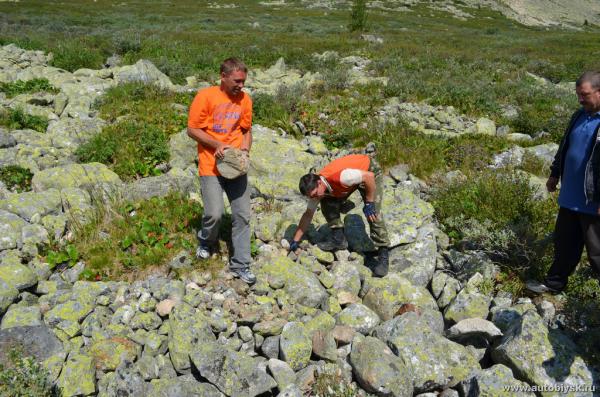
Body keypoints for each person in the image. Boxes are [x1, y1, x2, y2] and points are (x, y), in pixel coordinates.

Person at [527, 71, 600, 294]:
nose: (580, 99)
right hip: (570, 198)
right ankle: (554, 285)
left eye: (585, 94)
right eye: (578, 94)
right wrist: (554, 174)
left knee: (597, 254)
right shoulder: (578, 116)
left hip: (593, 203)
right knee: (565, 246)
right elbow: (565, 146)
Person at [187, 58, 256, 284]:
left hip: (236, 166)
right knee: (214, 214)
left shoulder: (245, 100)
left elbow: (246, 130)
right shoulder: (205, 97)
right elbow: (192, 129)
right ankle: (207, 241)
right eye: (237, 80)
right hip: (210, 164)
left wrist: (244, 149)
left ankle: (241, 265)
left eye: (243, 81)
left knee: (242, 215)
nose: (241, 85)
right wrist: (217, 145)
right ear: (223, 76)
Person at [289, 153, 391, 277]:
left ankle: (383, 254)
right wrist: (295, 240)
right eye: (311, 197)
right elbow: (308, 215)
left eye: (315, 194)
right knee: (325, 202)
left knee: (373, 213)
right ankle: (339, 239)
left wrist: (369, 203)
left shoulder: (343, 177)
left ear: (319, 183)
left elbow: (368, 177)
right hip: (352, 180)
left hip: (369, 171)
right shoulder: (316, 190)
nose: (314, 198)